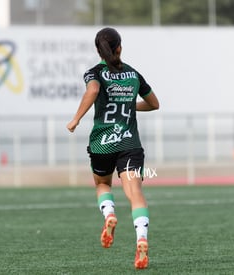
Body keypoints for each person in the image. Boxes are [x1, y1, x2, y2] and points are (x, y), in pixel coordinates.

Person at [66, 27, 159, 269]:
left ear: (99, 50)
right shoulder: (133, 74)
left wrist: (75, 119)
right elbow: (154, 104)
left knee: (103, 184)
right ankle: (141, 239)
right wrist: (128, 104)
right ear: (120, 47)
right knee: (135, 192)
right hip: (129, 143)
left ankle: (109, 215)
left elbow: (94, 90)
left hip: (102, 143)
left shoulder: (94, 73)